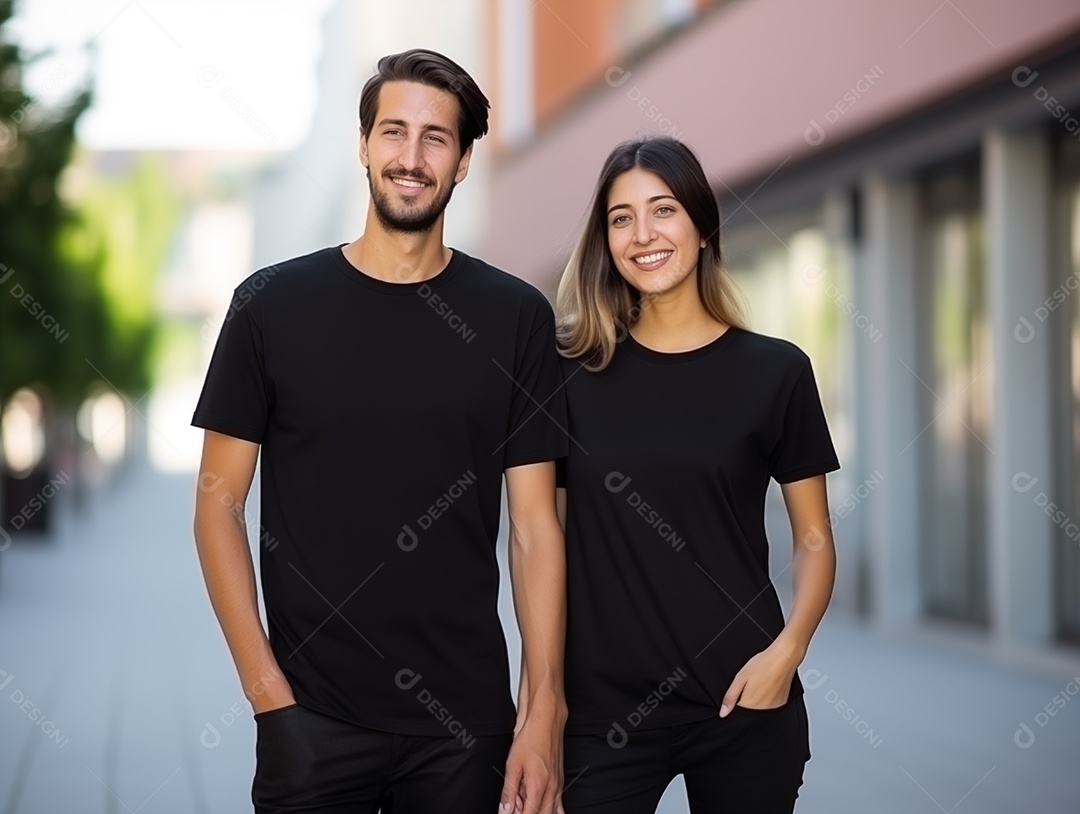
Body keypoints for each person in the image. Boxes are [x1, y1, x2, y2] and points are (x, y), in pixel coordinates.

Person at [192, 48, 568, 814]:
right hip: (311, 717)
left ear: (463, 162)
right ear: (362, 146)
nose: (412, 156)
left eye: (437, 138)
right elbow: (216, 505)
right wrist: (269, 698)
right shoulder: (270, 305)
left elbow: (535, 528)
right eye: (393, 131)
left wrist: (543, 714)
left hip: (465, 728)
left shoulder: (514, 317)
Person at [553, 136, 839, 813]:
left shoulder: (777, 372)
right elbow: (545, 546)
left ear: (702, 226)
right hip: (603, 715)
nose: (643, 234)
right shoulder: (569, 376)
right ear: (605, 239)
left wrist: (787, 652)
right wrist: (543, 699)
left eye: (664, 210)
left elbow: (815, 539)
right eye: (621, 218)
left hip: (743, 699)